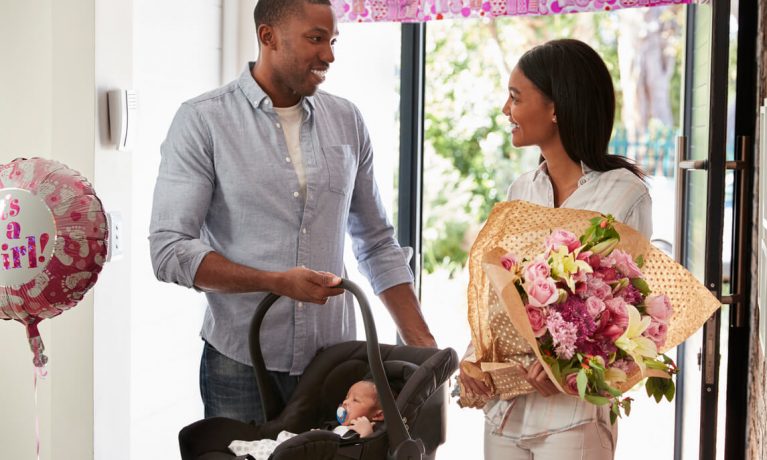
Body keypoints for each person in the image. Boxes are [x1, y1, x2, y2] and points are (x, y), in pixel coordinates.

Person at [149, 0, 436, 424]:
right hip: (240, 365)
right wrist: (274, 282)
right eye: (316, 39)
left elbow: (376, 243)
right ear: (268, 37)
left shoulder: (348, 121)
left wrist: (424, 347)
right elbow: (169, 250)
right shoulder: (202, 121)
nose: (330, 55)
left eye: (333, 40)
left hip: (335, 369)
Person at [459, 39, 652, 459]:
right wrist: (474, 358)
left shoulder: (623, 196)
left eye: (516, 97)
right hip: (507, 410)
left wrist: (565, 367)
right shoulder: (521, 190)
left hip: (573, 416)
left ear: (555, 107)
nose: (506, 110)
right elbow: (500, 294)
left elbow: (634, 310)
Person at [228, 380, 386, 459]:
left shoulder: (366, 429)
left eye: (355, 400)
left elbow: (366, 451)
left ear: (378, 415)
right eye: (346, 397)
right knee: (272, 443)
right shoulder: (337, 426)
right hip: (308, 448)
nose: (345, 402)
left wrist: (367, 433)